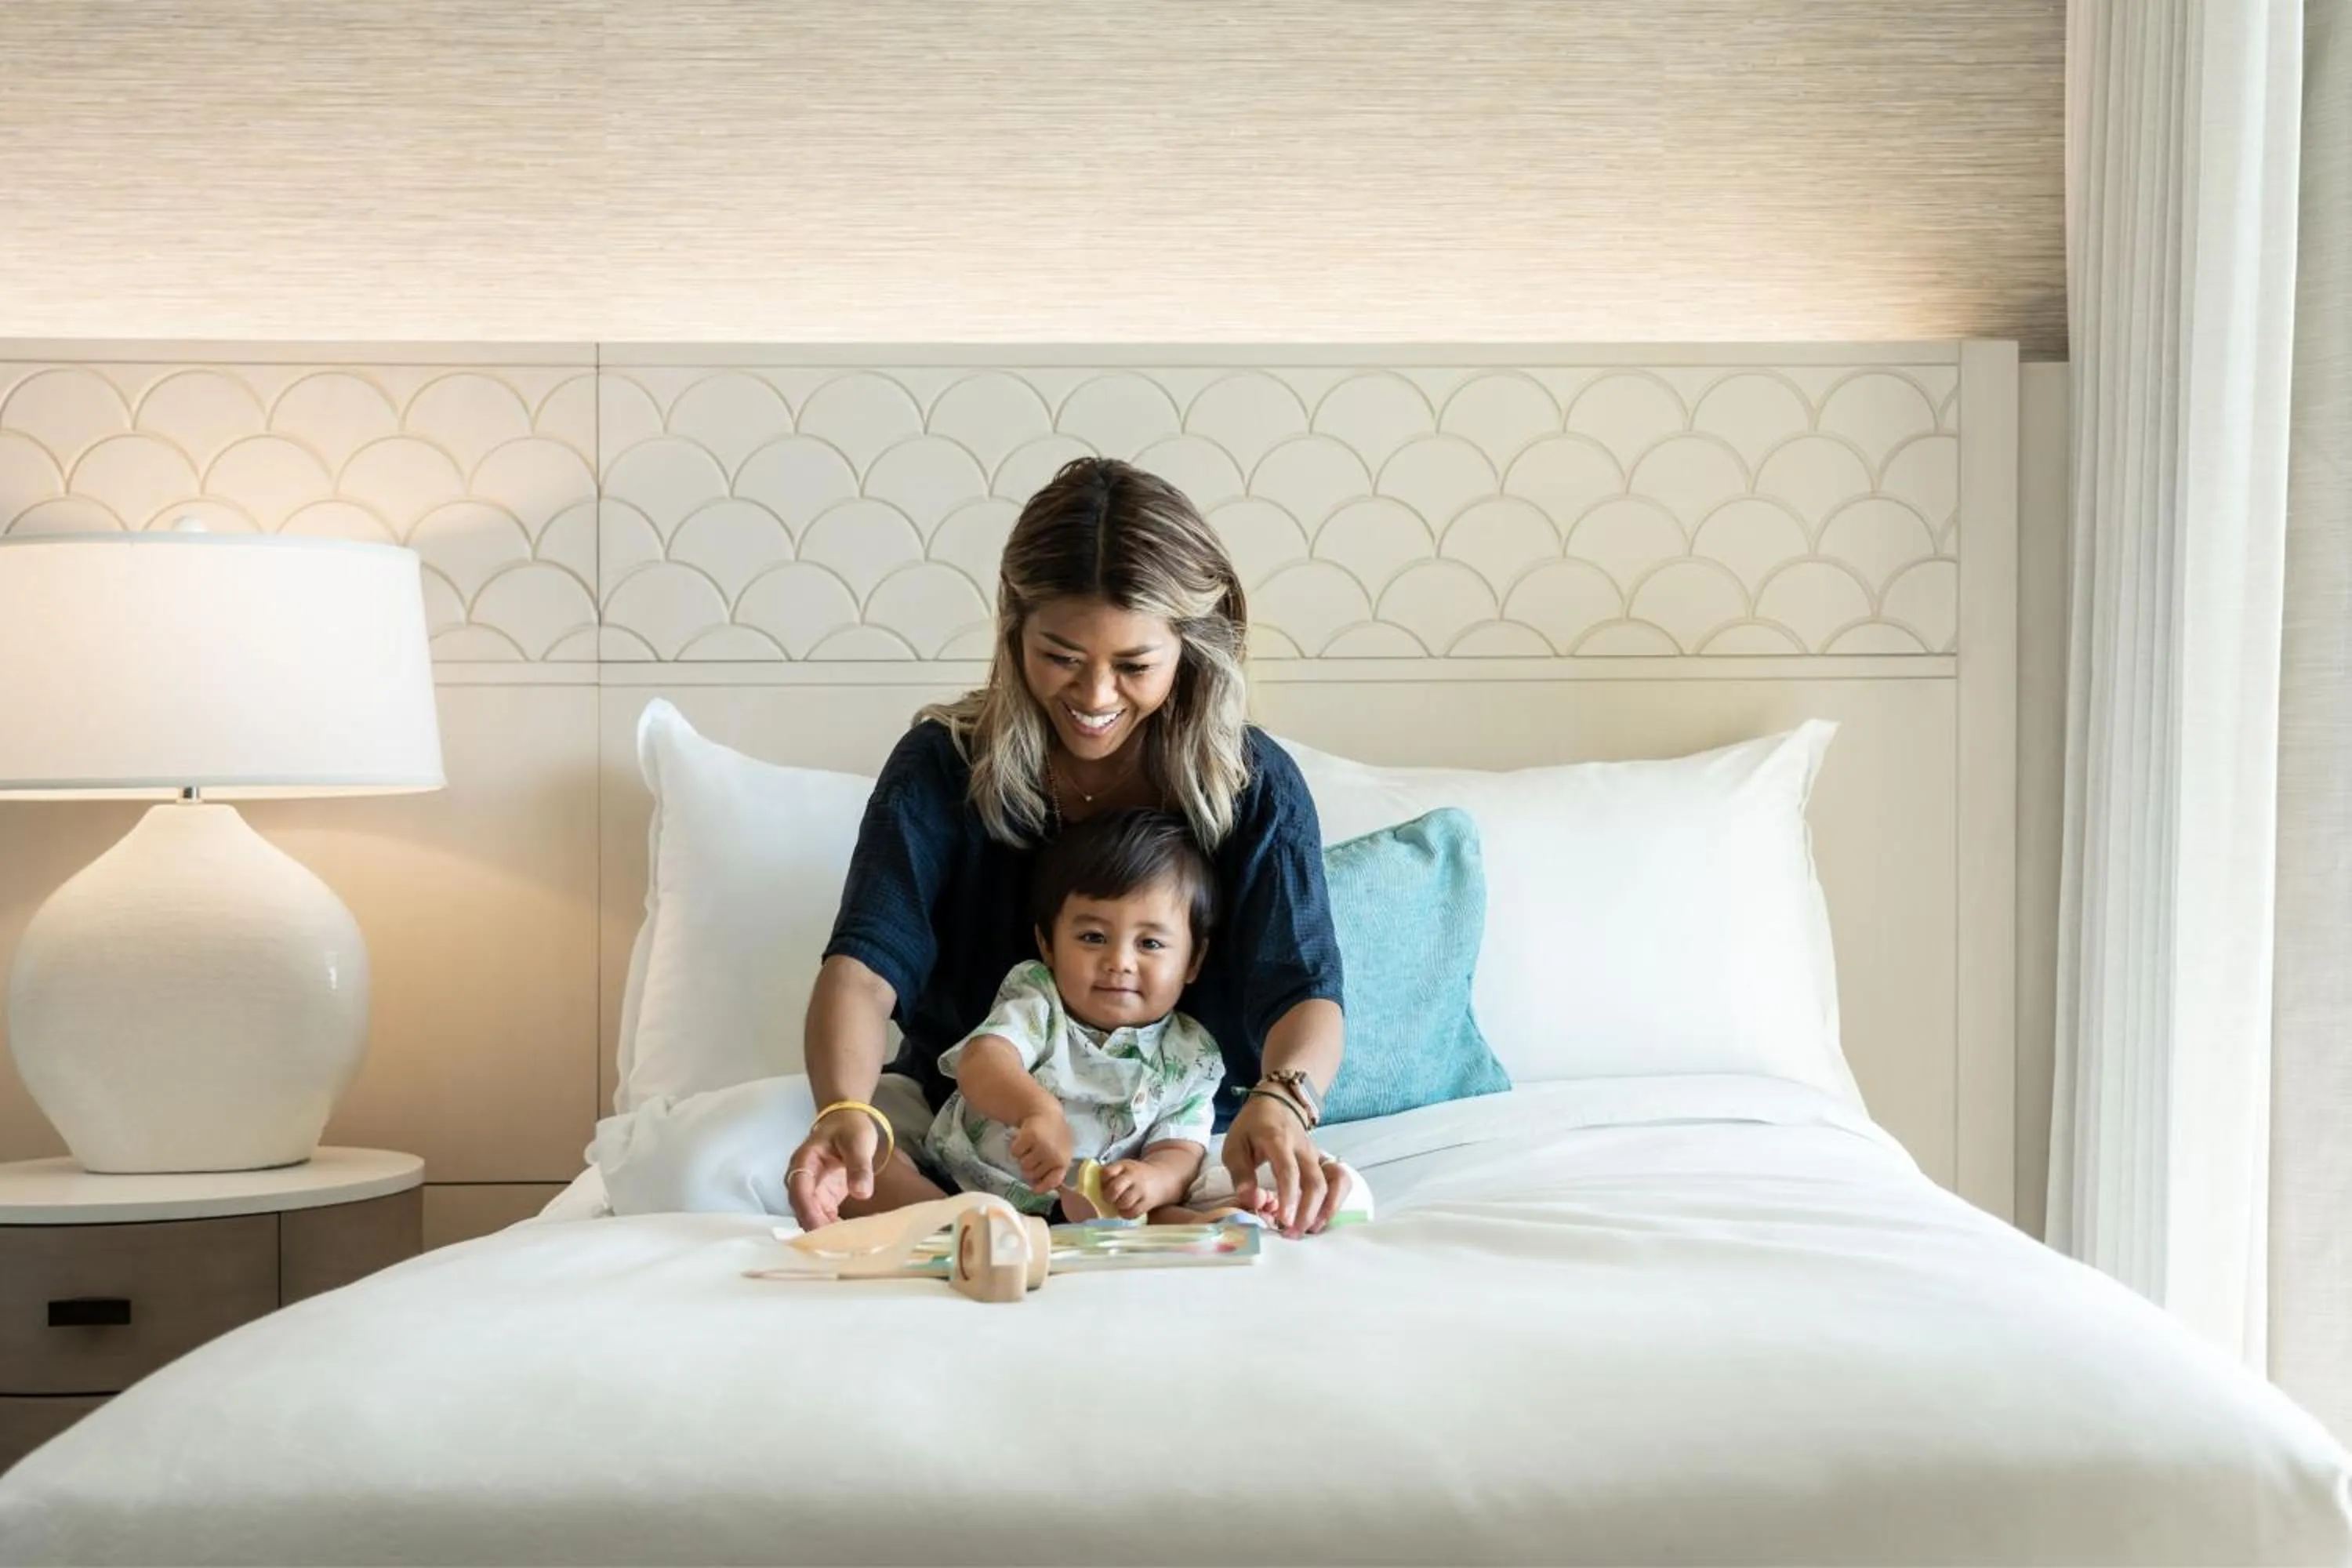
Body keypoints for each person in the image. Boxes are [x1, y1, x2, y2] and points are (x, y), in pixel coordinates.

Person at [783, 455, 1351, 1238]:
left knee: (1323, 1199)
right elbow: (864, 964)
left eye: (1133, 664)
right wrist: (843, 1111)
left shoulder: (1252, 783)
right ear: (1013, 627)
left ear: (1188, 648)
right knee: (805, 1160)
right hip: (967, 1112)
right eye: (1061, 656)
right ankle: (966, 1213)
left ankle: (1070, 1221)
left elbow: (1304, 984)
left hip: (1173, 1130)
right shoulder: (940, 765)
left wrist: (1283, 1100)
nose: (1093, 696)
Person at [923, 808, 1259, 1225]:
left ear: (1193, 960)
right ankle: (941, 1225)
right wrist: (1036, 1111)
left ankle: (1202, 1227)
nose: (1119, 961)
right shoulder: (1039, 998)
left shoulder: (1191, 1054)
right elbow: (983, 1062)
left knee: (1155, 1209)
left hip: (1094, 1207)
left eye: (1150, 944)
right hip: (969, 1184)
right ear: (1047, 945)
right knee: (887, 1175)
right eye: (1093, 937)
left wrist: (1153, 1179)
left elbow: (1182, 1145)